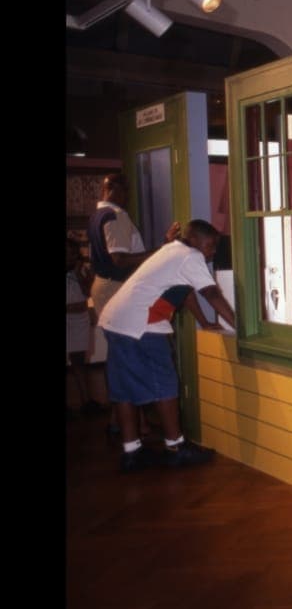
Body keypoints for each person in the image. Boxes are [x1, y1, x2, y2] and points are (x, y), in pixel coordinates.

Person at [98, 219, 237, 472]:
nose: (212, 252)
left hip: (115, 320)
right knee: (166, 384)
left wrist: (204, 321)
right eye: (210, 245)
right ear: (193, 240)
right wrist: (240, 327)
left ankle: (131, 452)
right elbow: (211, 293)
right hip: (141, 324)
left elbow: (186, 292)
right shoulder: (191, 255)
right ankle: (176, 447)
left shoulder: (172, 250)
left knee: (124, 390)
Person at [88, 172, 179, 435]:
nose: (128, 196)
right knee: (129, 356)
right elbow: (119, 259)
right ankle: (132, 423)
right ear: (116, 189)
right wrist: (163, 250)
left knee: (120, 355)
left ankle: (124, 421)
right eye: (126, 190)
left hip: (104, 285)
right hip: (116, 287)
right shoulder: (114, 215)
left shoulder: (97, 215)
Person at [66, 237, 99, 417]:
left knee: (79, 361)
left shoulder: (81, 270)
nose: (70, 257)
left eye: (73, 253)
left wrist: (79, 274)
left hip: (80, 319)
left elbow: (88, 293)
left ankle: (87, 401)